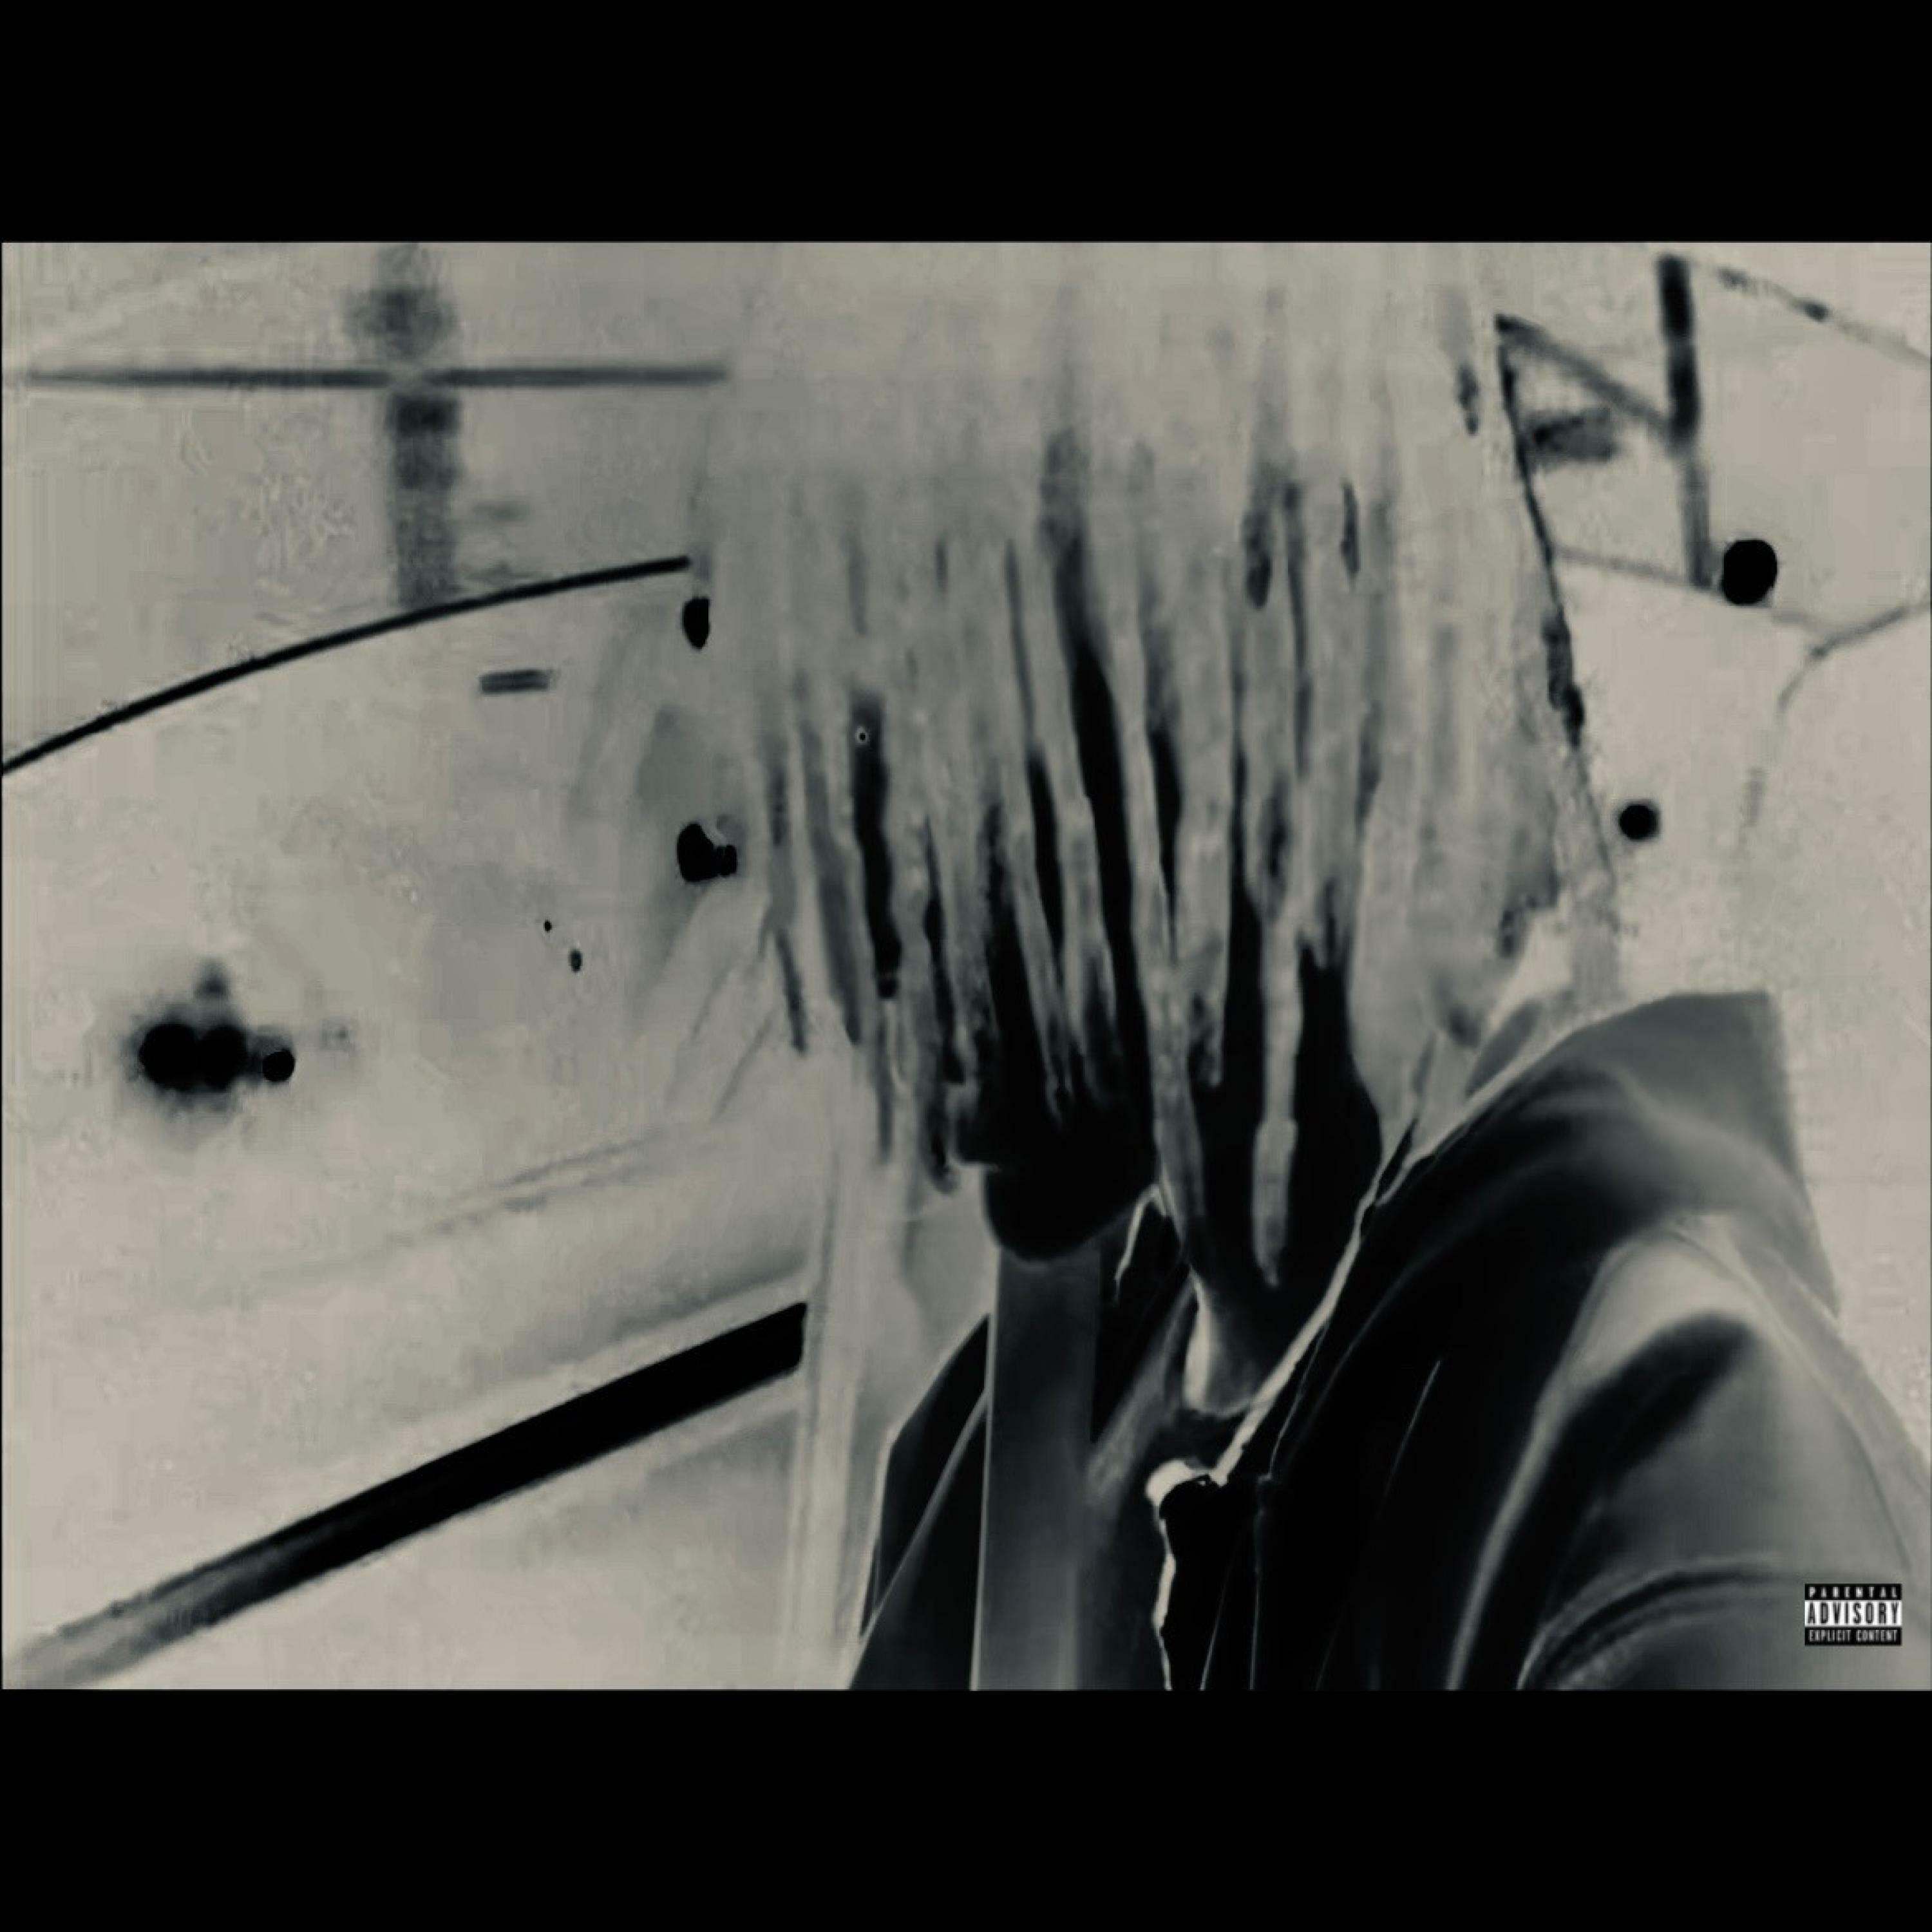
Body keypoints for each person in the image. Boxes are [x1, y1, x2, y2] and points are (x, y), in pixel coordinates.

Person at [701, 244, 1931, 1689]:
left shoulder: (1687, 1477)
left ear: (1279, 678)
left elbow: (1855, 1613)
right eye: (820, 757)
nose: (859, 913)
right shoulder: (992, 1442)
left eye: (936, 730)